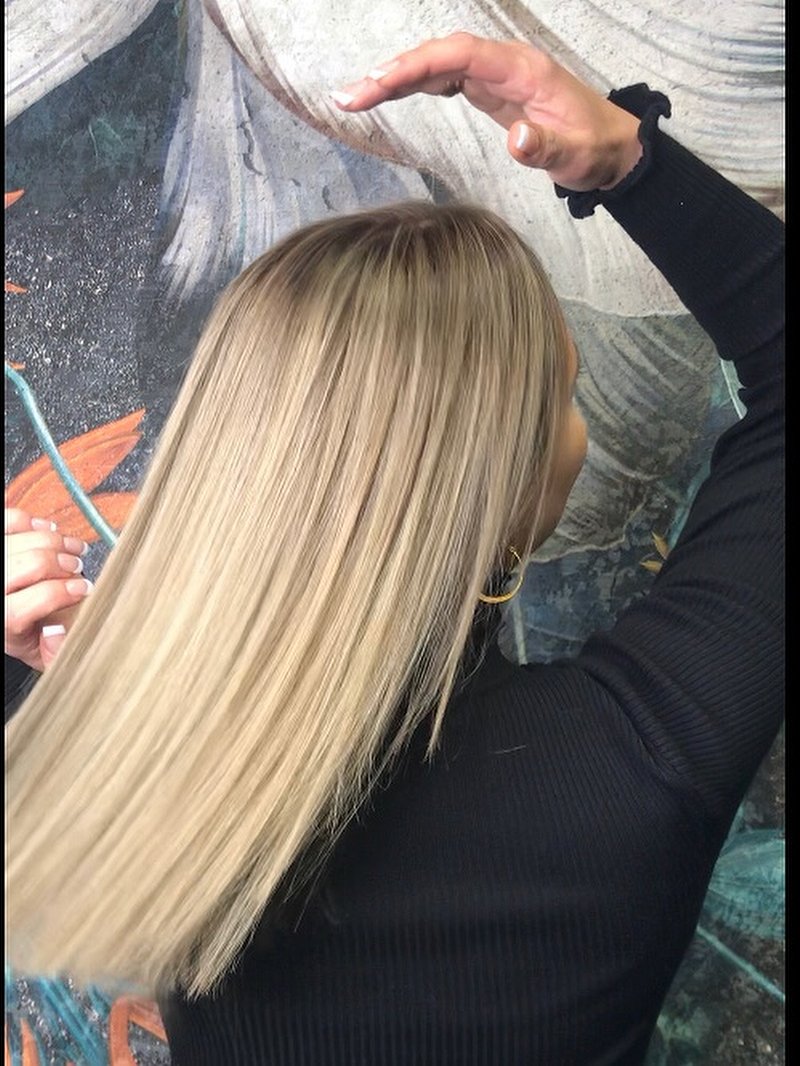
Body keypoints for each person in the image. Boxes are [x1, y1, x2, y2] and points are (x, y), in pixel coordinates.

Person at [4, 30, 783, 1066]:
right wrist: (623, 159)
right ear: (506, 489)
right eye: (566, 394)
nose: (581, 425)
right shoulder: (633, 760)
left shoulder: (142, 751)